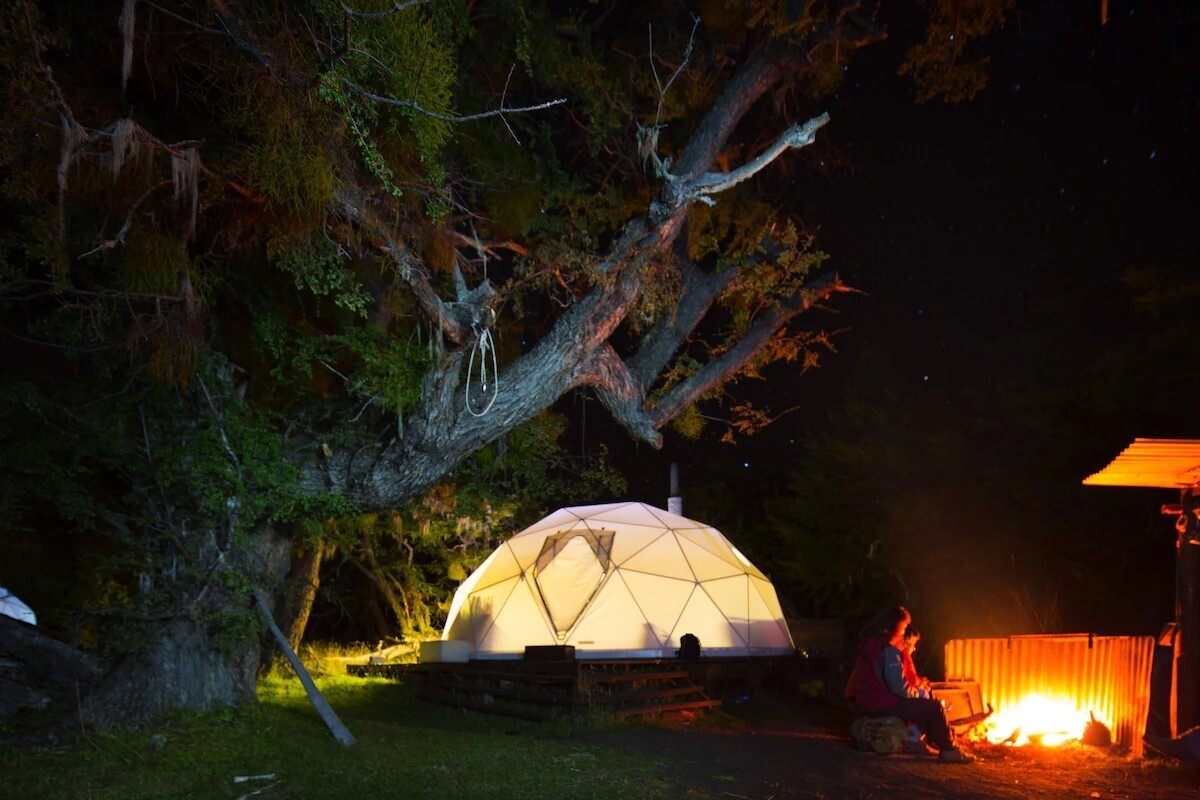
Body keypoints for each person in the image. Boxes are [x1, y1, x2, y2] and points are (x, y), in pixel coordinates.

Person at [853, 606, 973, 763]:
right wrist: (918, 693)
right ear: (893, 627)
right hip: (881, 704)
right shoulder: (887, 649)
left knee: (924, 706)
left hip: (868, 702)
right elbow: (899, 688)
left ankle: (934, 743)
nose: (904, 633)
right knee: (934, 707)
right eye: (903, 629)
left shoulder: (868, 645)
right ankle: (950, 750)